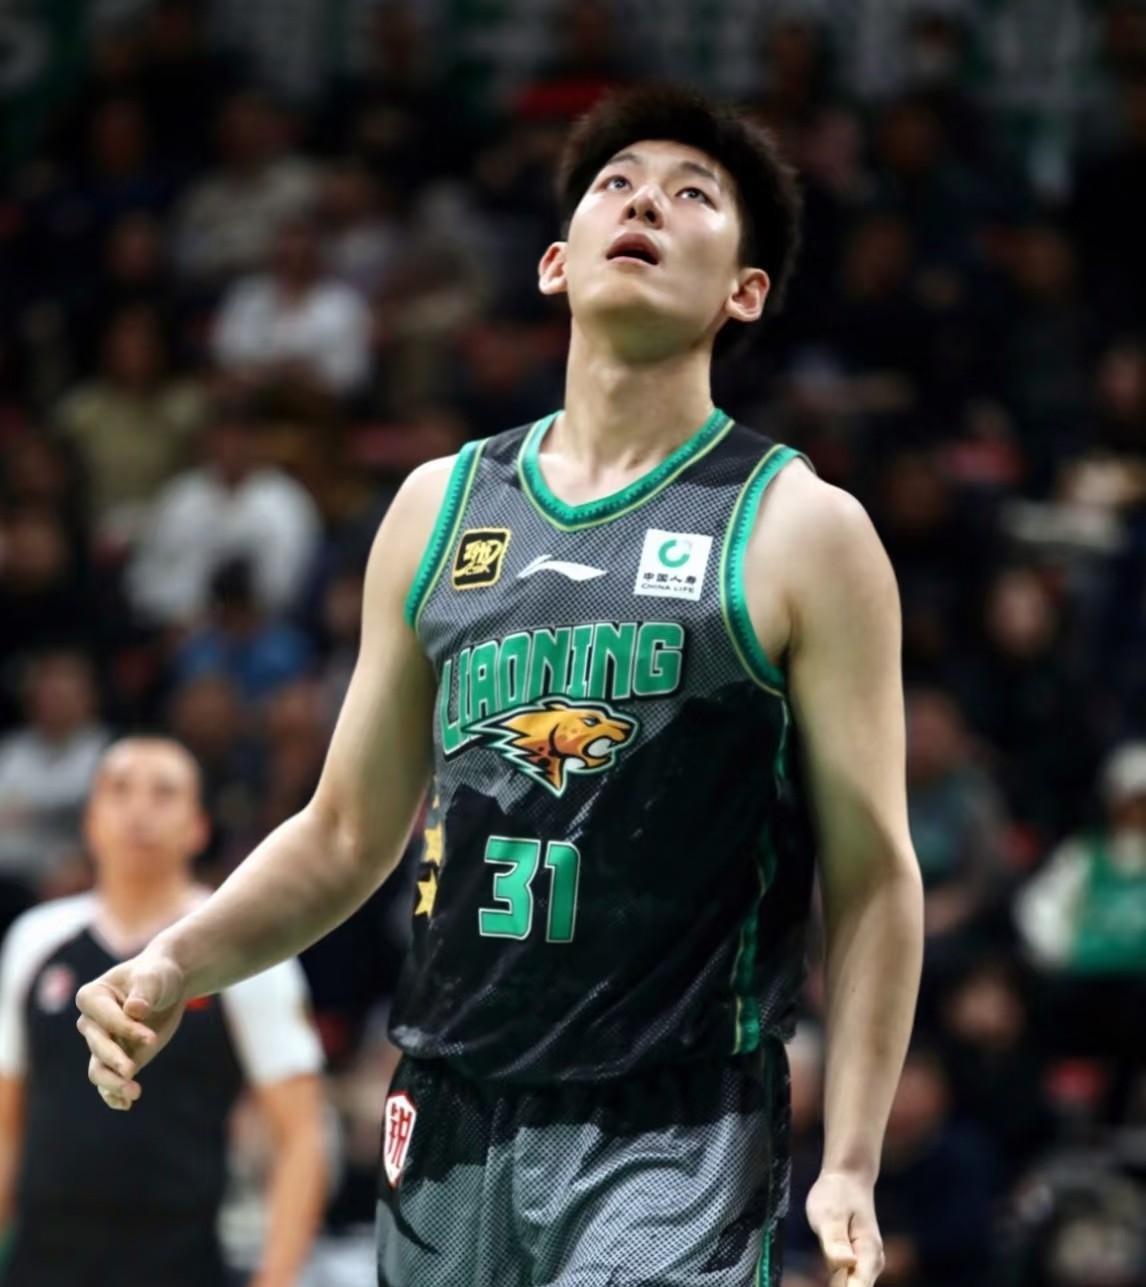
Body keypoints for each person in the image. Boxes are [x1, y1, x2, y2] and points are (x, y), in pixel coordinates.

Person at [76, 86, 923, 1287]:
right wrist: (177, 961)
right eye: (617, 185)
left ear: (744, 292)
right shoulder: (438, 507)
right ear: (554, 263)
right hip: (448, 1114)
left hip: (673, 1125)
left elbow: (874, 868)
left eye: (693, 195)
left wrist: (853, 1160)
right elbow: (345, 832)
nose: (646, 204)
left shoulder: (799, 528)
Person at [1, 738, 326, 1287]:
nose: (139, 810)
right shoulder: (35, 940)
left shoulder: (243, 949)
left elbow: (301, 1135)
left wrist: (276, 1277)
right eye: (120, 790)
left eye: (163, 793)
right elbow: (6, 1124)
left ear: (198, 827)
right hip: (40, 1264)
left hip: (182, 1263)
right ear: (90, 821)